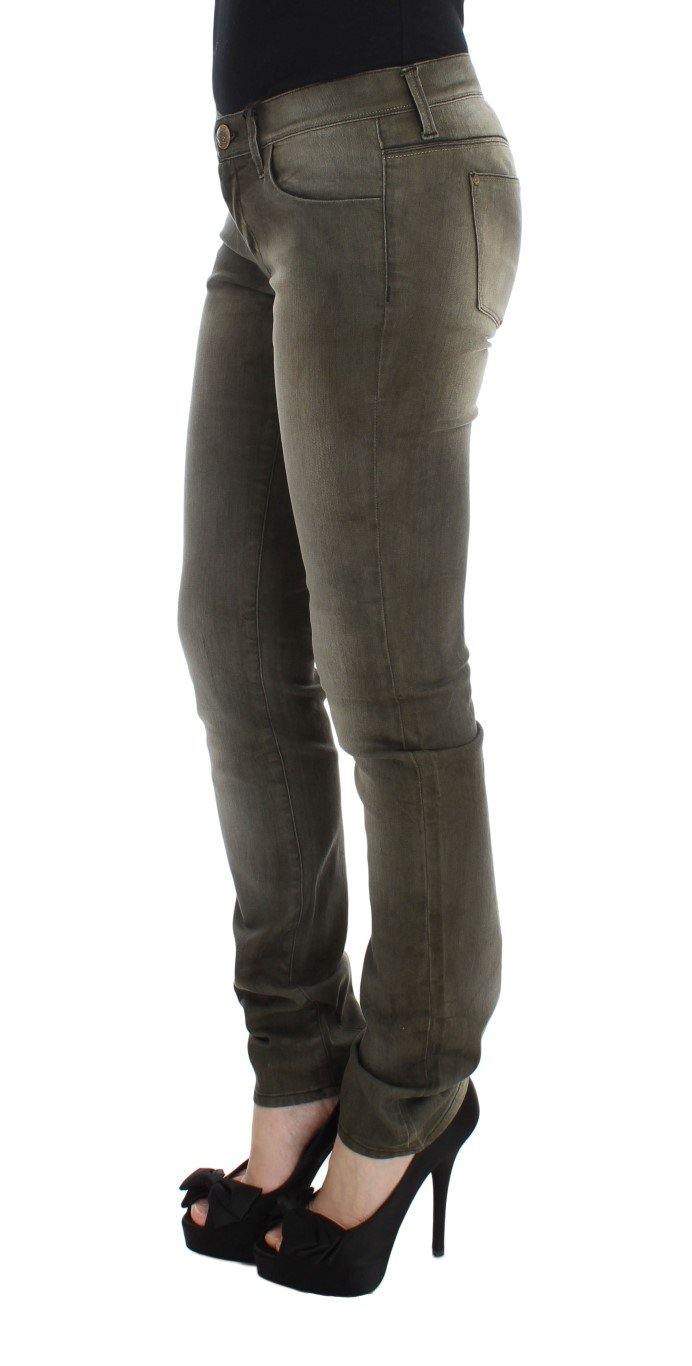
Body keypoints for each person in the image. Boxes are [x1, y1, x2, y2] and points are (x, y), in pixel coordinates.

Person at [178, 0, 521, 1296]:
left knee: (393, 679)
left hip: (389, 152)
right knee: (236, 642)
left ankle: (416, 1091)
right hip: (258, 182)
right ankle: (300, 1070)